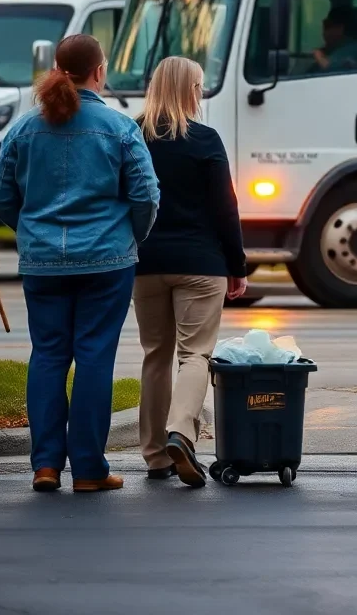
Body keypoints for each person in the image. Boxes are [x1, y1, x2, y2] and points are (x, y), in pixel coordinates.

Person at [0, 34, 158, 494]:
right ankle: (88, 468)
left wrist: (30, 231)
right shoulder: (120, 127)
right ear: (99, 72)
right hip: (107, 260)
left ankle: (45, 465)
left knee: (47, 356)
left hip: (43, 262)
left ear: (58, 69)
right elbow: (145, 194)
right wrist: (130, 237)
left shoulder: (25, 129)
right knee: (94, 359)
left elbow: (1, 197)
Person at [133, 57, 247, 488]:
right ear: (189, 90)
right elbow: (226, 207)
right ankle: (181, 431)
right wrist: (237, 266)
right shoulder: (204, 139)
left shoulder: (132, 135)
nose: (200, 95)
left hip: (146, 263)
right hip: (201, 264)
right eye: (198, 87)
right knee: (195, 354)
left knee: (155, 355)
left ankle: (154, 457)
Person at [311, 5, 357, 73]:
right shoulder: (338, 49)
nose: (323, 32)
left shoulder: (353, 49)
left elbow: (329, 69)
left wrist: (318, 55)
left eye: (327, 25)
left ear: (340, 29)